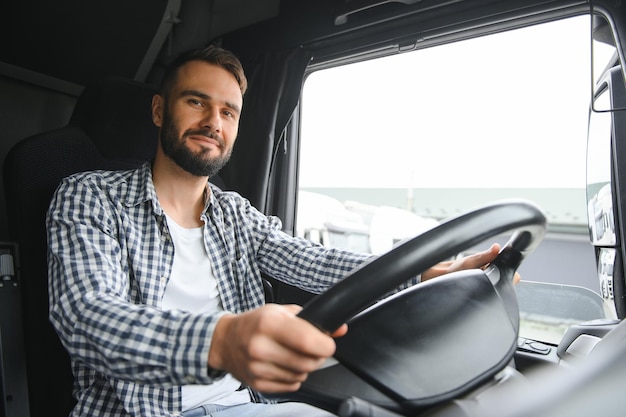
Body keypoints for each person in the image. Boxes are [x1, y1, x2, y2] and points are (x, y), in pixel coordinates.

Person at [46, 45, 505, 417]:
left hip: (246, 404)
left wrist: (431, 274)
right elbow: (86, 316)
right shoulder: (90, 196)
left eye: (229, 112)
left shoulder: (234, 213)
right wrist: (223, 339)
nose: (213, 122)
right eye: (196, 102)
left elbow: (318, 262)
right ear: (159, 110)